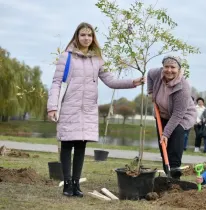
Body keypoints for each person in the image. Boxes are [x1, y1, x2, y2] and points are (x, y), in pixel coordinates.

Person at [47, 22, 145, 197]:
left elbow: (111, 81)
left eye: (89, 35)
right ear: (76, 36)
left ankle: (76, 184)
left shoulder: (97, 59)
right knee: (67, 144)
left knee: (81, 145)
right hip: (70, 106)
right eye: (83, 35)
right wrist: (52, 107)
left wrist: (133, 82)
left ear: (93, 38)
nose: (86, 38)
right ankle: (67, 184)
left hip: (88, 109)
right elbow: (56, 83)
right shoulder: (66, 57)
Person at [147, 55, 196, 179]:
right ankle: (167, 172)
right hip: (162, 114)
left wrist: (166, 133)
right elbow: (149, 74)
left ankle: (174, 175)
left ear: (179, 69)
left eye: (173, 67)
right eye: (166, 66)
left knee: (174, 139)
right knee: (163, 144)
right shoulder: (157, 73)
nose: (169, 70)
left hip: (182, 116)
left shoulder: (183, 87)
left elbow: (178, 114)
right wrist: (151, 91)